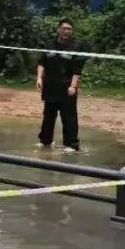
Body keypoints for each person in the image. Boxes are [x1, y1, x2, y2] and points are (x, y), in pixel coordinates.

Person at [37, 18, 86, 152]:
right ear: (58, 29)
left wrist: (73, 86)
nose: (66, 31)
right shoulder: (49, 44)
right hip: (50, 87)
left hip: (67, 88)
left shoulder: (76, 47)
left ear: (72, 31)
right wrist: (39, 78)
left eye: (69, 29)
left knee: (69, 117)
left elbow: (77, 69)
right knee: (48, 116)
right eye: (64, 28)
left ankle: (71, 144)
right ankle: (45, 141)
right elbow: (41, 62)